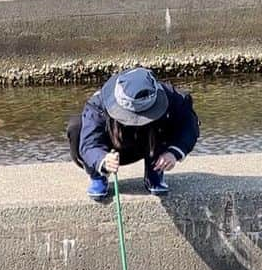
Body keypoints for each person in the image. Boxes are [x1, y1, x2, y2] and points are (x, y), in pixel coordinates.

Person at [67, 66, 200, 201]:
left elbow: (190, 127)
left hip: (151, 143)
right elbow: (89, 143)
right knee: (77, 126)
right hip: (112, 149)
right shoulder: (98, 103)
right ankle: (98, 175)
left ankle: (155, 170)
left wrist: (174, 153)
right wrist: (102, 159)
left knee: (170, 120)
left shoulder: (173, 97)